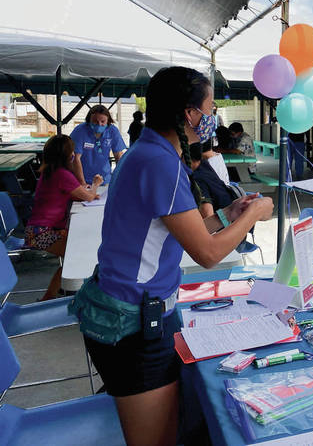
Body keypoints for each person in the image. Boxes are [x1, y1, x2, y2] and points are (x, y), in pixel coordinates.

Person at [69, 67, 273, 446]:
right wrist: (253, 217)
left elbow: (190, 230)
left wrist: (231, 214)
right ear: (189, 114)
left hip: (128, 315)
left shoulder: (148, 152)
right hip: (134, 328)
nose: (213, 117)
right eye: (210, 108)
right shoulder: (160, 163)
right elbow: (208, 253)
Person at [25, 135, 102, 300]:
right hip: (41, 233)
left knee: (76, 251)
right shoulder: (62, 175)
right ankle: (51, 297)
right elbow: (88, 197)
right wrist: (96, 184)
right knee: (77, 255)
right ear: (69, 156)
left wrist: (85, 191)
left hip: (38, 230)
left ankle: (51, 296)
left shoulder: (50, 172)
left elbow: (75, 194)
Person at [70, 104, 127, 186]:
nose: (99, 124)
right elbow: (76, 158)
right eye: (95, 121)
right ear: (89, 120)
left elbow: (118, 155)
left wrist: (121, 179)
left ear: (108, 121)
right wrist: (82, 183)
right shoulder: (80, 131)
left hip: (105, 179)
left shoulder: (112, 131)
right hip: (83, 179)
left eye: (103, 122)